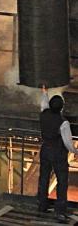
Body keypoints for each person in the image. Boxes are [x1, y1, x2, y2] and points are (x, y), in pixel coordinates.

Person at [38, 88, 74, 220]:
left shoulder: (44, 113)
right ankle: (60, 211)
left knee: (44, 178)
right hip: (58, 153)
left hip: (45, 149)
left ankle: (42, 205)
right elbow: (67, 141)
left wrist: (45, 92)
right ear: (61, 108)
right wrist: (75, 151)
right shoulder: (63, 123)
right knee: (62, 181)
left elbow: (43, 104)